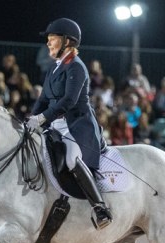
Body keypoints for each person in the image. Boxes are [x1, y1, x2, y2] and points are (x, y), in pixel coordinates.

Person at [27, 18, 112, 229]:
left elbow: (68, 101)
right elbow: (43, 99)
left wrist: (42, 118)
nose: (48, 43)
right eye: (48, 39)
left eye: (52, 38)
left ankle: (99, 207)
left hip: (76, 127)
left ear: (67, 42)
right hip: (54, 125)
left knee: (72, 158)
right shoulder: (53, 69)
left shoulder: (77, 67)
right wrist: (30, 119)